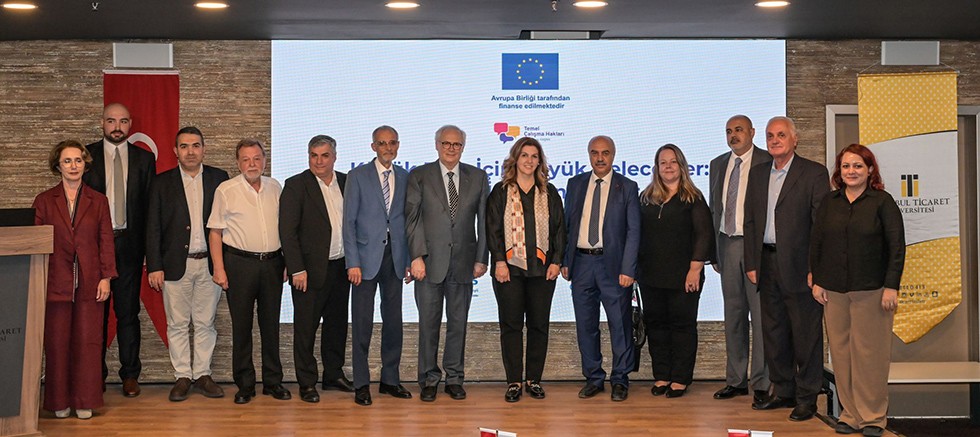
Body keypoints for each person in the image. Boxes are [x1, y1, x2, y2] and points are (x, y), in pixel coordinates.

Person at [810, 144, 905, 437]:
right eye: (846, 166)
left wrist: (891, 286)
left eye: (858, 166)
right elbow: (817, 242)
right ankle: (850, 415)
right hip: (834, 291)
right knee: (841, 355)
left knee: (870, 356)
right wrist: (817, 280)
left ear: (870, 170)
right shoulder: (830, 202)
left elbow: (896, 247)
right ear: (839, 171)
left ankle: (873, 418)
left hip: (872, 291)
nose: (851, 171)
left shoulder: (882, 202)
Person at [744, 116, 830, 421]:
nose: (775, 140)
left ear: (795, 139)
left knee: (806, 335)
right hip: (766, 263)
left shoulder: (814, 173)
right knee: (774, 332)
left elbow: (821, 226)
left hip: (800, 267)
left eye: (781, 135)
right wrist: (751, 261)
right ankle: (783, 390)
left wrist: (815, 268)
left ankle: (807, 397)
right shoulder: (757, 174)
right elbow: (750, 221)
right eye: (770, 135)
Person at [405, 125, 490, 402]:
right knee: (428, 325)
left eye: (456, 144)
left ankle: (454, 378)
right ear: (437, 145)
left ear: (463, 147)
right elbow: (412, 220)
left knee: (458, 324)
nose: (451, 148)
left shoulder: (477, 177)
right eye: (446, 143)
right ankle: (428, 379)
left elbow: (484, 221)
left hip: (464, 263)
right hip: (429, 263)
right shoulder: (419, 175)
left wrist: (481, 258)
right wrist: (416, 257)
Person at [34, 140, 117, 419]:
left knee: (87, 343)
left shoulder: (99, 201)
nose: (73, 166)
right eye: (67, 161)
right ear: (58, 166)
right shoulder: (44, 201)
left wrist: (106, 277)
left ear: (85, 164)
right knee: (57, 343)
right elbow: (35, 242)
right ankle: (59, 401)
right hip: (54, 281)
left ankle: (85, 400)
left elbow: (106, 241)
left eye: (78, 160)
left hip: (91, 282)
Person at [145, 126, 229, 402]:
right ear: (175, 151)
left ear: (204, 149)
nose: (190, 152)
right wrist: (154, 265)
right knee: (178, 324)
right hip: (173, 264)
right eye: (184, 146)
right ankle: (182, 376)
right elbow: (152, 226)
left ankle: (202, 374)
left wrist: (225, 265)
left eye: (195, 145)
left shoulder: (220, 179)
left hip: (209, 263)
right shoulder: (161, 183)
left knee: (206, 322)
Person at [207, 138, 289, 405]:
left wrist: (287, 262)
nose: (252, 164)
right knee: (242, 327)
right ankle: (245, 384)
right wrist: (219, 268)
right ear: (238, 162)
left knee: (270, 326)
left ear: (264, 160)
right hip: (239, 265)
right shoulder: (226, 190)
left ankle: (273, 382)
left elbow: (285, 229)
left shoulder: (275, 187)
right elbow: (215, 232)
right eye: (246, 159)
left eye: (256, 158)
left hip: (273, 264)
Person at [82, 103, 155, 397]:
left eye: (123, 121)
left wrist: (150, 252)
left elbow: (150, 209)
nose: (117, 127)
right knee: (95, 314)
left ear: (130, 124)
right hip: (94, 246)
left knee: (128, 312)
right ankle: (94, 375)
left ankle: (130, 375)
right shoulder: (86, 156)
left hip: (129, 246)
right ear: (102, 122)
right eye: (111, 121)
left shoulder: (144, 159)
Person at [486, 137, 566, 402]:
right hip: (509, 270)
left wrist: (556, 261)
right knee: (511, 326)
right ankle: (513, 382)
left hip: (542, 271)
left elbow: (559, 229)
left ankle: (533, 380)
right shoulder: (500, 191)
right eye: (524, 155)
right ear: (515, 159)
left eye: (534, 156)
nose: (529, 161)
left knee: (538, 326)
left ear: (539, 161)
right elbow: (493, 229)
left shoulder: (549, 192)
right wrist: (499, 261)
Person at [561, 135, 640, 402]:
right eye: (595, 153)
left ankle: (620, 378)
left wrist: (629, 268)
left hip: (614, 266)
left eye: (605, 153)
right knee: (586, 325)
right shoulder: (575, 184)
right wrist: (565, 260)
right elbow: (567, 225)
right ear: (589, 155)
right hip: (581, 263)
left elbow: (634, 231)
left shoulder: (627, 186)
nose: (600, 158)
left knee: (620, 324)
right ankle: (593, 377)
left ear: (613, 155)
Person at [279, 135, 354, 403]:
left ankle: (333, 374)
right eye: (314, 155)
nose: (319, 161)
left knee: (336, 326)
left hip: (341, 268)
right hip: (308, 272)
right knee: (305, 329)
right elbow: (287, 232)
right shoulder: (296, 185)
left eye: (324, 155)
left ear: (334, 157)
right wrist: (296, 268)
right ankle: (307, 382)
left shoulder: (347, 182)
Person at [637, 144, 714, 399]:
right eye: (663, 162)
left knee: (682, 327)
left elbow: (704, 235)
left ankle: (680, 379)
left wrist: (695, 269)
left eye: (673, 162)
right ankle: (662, 376)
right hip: (651, 276)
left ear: (681, 166)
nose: (668, 167)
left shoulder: (693, 197)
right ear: (656, 168)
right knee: (656, 326)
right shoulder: (646, 197)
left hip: (684, 277)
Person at [344, 126, 413, 406]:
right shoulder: (357, 176)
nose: (388, 148)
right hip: (364, 261)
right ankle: (361, 384)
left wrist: (408, 259)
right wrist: (352, 262)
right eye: (382, 143)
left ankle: (390, 380)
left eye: (392, 143)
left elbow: (408, 222)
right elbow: (348, 223)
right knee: (362, 323)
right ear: (373, 146)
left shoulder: (405, 177)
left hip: (395, 258)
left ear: (398, 145)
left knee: (393, 322)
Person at [708, 115, 773, 406]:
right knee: (733, 316)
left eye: (738, 130)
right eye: (729, 131)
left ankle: (762, 383)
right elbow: (715, 208)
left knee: (760, 317)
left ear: (752, 132)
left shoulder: (767, 161)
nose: (733, 135)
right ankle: (736, 380)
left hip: (756, 246)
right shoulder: (717, 164)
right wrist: (714, 250)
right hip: (727, 244)